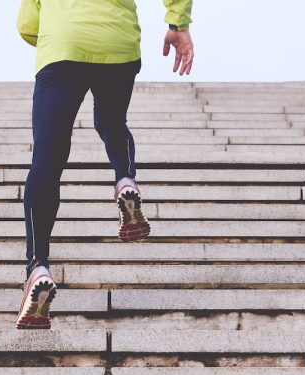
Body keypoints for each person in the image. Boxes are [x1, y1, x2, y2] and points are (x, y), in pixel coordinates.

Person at [16, 0, 194, 329]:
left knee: (48, 156)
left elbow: (27, 24)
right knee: (112, 123)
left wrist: (60, 30)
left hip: (63, 46)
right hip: (119, 44)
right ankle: (125, 180)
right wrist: (177, 25)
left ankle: (38, 266)